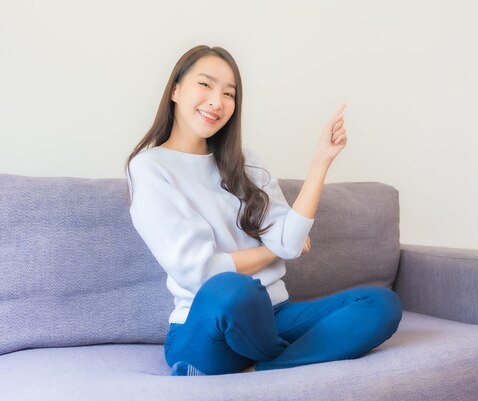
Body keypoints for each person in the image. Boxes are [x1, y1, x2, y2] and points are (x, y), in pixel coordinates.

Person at [124, 45, 402, 376]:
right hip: (209, 322)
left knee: (380, 304)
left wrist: (321, 161)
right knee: (233, 290)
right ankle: (274, 357)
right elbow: (199, 270)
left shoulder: (247, 162)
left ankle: (266, 366)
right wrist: (273, 250)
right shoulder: (150, 168)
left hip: (275, 316)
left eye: (229, 93)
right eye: (205, 84)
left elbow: (291, 240)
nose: (217, 101)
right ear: (175, 90)